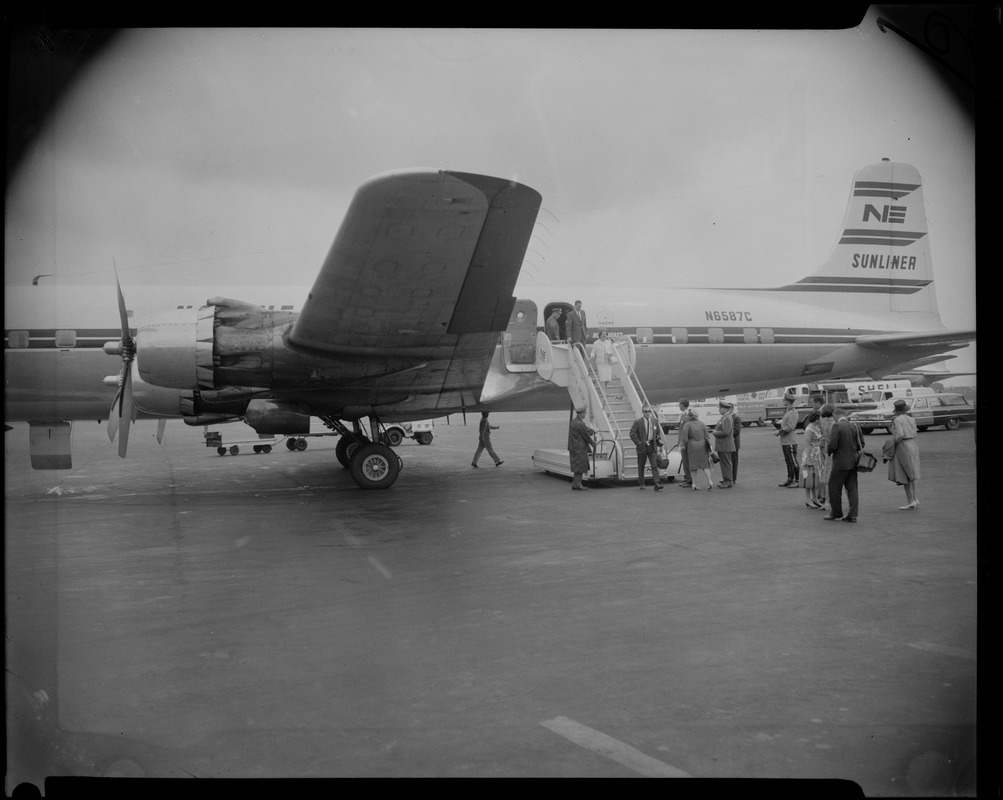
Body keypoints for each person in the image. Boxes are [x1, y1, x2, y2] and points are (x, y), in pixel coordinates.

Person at [824, 408, 862, 522]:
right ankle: (853, 514)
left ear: (836, 415)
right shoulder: (854, 426)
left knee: (834, 487)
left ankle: (836, 513)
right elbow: (862, 443)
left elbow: (833, 445)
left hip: (840, 462)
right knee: (852, 488)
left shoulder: (837, 426)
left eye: (834, 416)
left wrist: (829, 451)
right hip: (853, 461)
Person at [888, 398, 921, 509]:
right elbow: (915, 434)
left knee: (905, 473)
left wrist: (893, 442)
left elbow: (900, 434)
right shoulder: (911, 419)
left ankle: (910, 500)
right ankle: (915, 499)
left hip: (903, 445)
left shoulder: (897, 420)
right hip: (913, 444)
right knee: (913, 473)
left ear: (896, 410)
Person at [629, 404, 664, 490]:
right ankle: (641, 482)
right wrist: (639, 443)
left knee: (654, 465)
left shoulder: (655, 421)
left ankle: (656, 483)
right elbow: (632, 434)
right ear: (642, 412)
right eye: (646, 411)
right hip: (642, 446)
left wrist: (659, 445)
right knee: (641, 465)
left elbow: (658, 434)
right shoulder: (638, 422)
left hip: (652, 445)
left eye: (649, 411)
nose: (648, 413)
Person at [681, 409, 715, 490]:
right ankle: (710, 481)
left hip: (692, 446)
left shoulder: (687, 425)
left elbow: (684, 438)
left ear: (689, 416)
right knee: (705, 464)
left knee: (693, 465)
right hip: (702, 445)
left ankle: (694, 484)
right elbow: (707, 436)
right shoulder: (702, 424)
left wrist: (682, 446)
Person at [800, 410, 826, 509]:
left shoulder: (816, 427)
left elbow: (816, 442)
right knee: (808, 478)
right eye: (820, 417)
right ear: (816, 419)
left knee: (816, 477)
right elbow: (807, 445)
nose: (821, 419)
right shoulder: (809, 429)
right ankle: (808, 499)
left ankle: (815, 498)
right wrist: (809, 459)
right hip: (810, 455)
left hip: (816, 454)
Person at [775, 390, 800, 487]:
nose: (783, 401)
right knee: (788, 461)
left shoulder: (793, 412)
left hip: (790, 440)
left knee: (793, 460)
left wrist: (780, 431)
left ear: (788, 401)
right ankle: (790, 478)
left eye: (784, 399)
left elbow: (791, 427)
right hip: (785, 441)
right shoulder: (788, 411)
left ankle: (797, 480)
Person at [568, 406, 595, 491]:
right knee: (580, 466)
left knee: (577, 466)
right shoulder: (580, 424)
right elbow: (585, 435)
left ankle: (575, 483)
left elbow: (584, 430)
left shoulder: (574, 422)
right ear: (582, 413)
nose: (585, 415)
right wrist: (593, 443)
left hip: (574, 447)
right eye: (585, 413)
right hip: (579, 448)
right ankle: (578, 484)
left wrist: (591, 430)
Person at [712, 399, 736, 488]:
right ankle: (726, 479)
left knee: (726, 463)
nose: (719, 410)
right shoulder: (724, 417)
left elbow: (726, 432)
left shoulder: (727, 418)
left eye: (720, 408)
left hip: (725, 444)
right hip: (723, 445)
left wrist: (715, 433)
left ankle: (728, 481)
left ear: (725, 409)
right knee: (725, 463)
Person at [816, 404, 835, 507]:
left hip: (827, 450)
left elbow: (823, 437)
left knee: (826, 475)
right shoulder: (834, 423)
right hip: (833, 451)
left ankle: (825, 497)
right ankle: (829, 499)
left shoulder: (824, 423)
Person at [676, 399, 693, 487]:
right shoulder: (684, 415)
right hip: (683, 442)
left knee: (687, 462)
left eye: (679, 404)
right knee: (685, 461)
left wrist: (683, 443)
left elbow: (687, 431)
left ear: (682, 405)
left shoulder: (687, 416)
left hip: (685, 443)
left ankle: (689, 480)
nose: (679, 406)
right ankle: (687, 479)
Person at [731, 406, 743, 484]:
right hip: (729, 443)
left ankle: (733, 478)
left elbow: (737, 431)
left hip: (734, 443)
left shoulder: (736, 418)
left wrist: (726, 435)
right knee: (729, 461)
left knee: (734, 461)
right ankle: (728, 477)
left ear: (731, 409)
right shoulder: (727, 417)